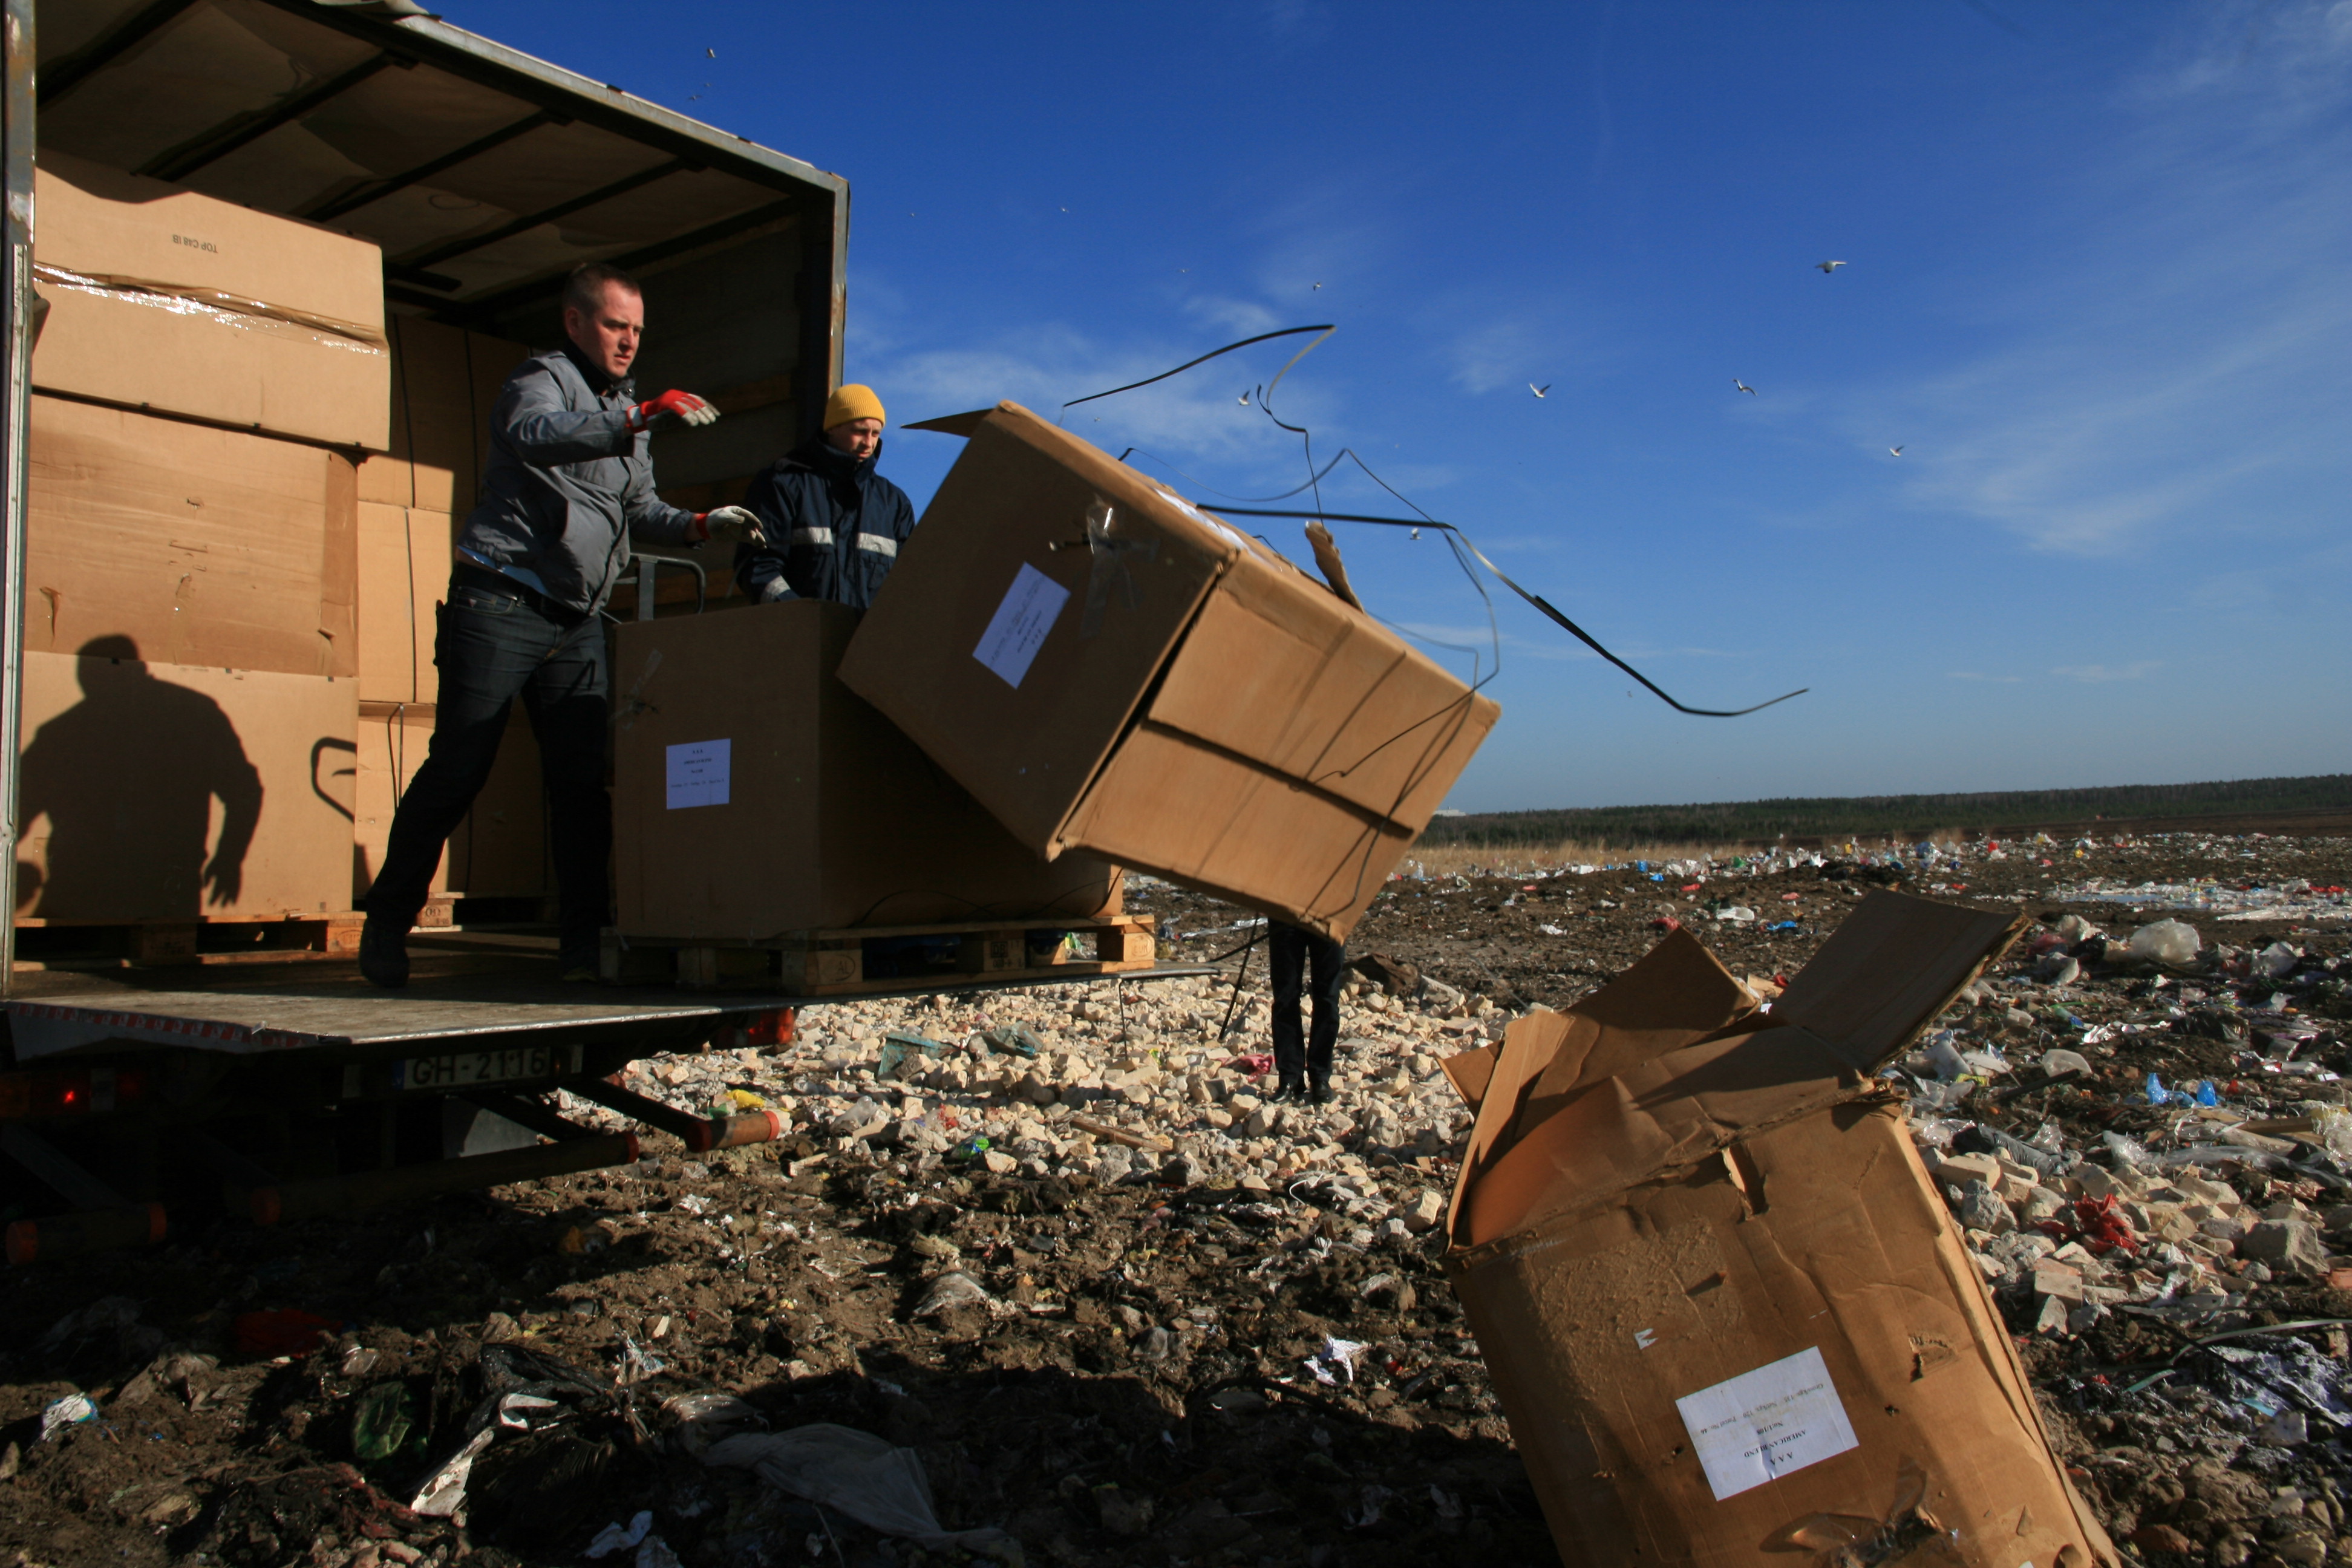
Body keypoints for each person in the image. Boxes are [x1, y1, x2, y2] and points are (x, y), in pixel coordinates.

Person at [358, 261, 761, 987]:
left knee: (581, 787)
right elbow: (537, 433)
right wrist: (636, 417)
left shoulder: (627, 412)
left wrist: (703, 524)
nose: (629, 341)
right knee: (459, 768)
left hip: (573, 620)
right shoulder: (539, 381)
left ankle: (583, 949)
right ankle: (387, 923)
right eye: (615, 325)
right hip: (502, 598)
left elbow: (639, 508)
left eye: (637, 329)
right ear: (575, 323)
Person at [1267, 520, 1366, 1105]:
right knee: (1286, 994)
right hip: (1284, 894)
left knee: (1325, 996)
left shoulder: (1344, 774)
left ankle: (1320, 1078)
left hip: (1329, 896)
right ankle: (1287, 1077)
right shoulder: (1279, 770)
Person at [733, 384, 916, 608]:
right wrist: (799, 617)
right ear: (831, 428)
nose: (868, 443)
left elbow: (909, 583)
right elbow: (757, 565)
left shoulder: (894, 503)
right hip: (796, 638)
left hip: (871, 642)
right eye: (859, 431)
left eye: (875, 433)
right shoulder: (782, 485)